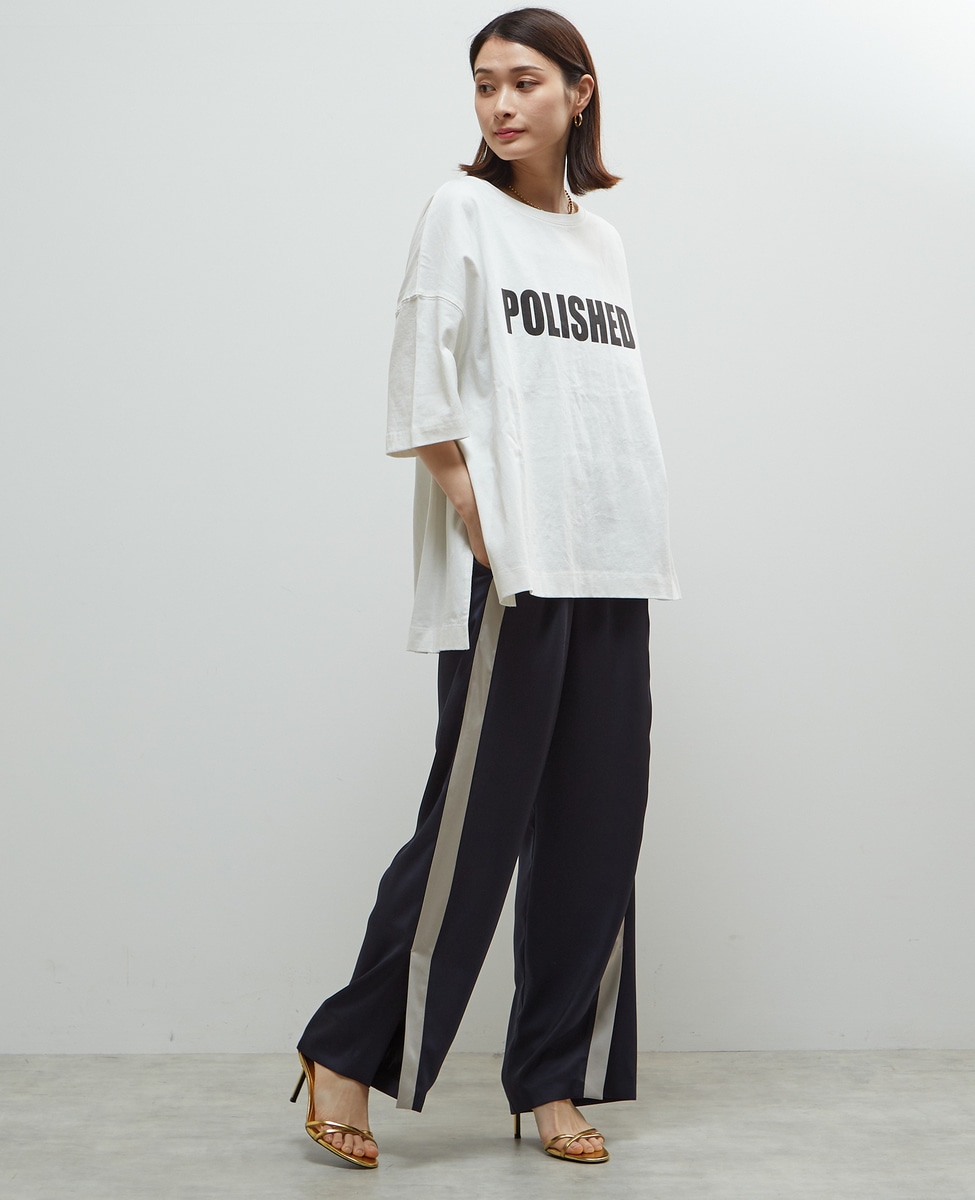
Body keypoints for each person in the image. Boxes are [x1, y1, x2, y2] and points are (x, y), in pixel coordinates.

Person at [291, 6, 679, 1168]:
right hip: (515, 566)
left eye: (523, 82)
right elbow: (423, 378)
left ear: (579, 92)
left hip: (612, 556)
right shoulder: (461, 211)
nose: (501, 105)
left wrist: (630, 529)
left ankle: (553, 1080)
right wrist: (476, 514)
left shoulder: (602, 244)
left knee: (598, 827)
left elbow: (602, 405)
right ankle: (345, 1052)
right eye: (483, 85)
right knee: (472, 829)